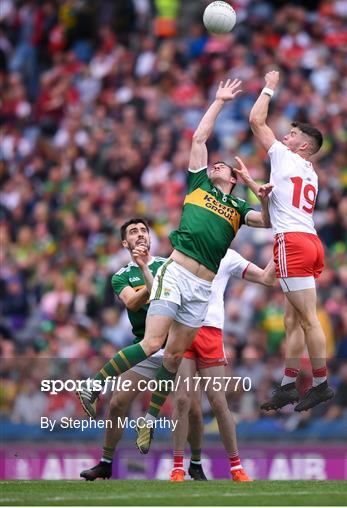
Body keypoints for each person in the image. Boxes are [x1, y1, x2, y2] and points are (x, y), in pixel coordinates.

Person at [76, 79, 271, 456]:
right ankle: (93, 384)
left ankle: (149, 419)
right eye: (216, 162)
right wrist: (217, 101)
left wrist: (257, 191)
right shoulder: (198, 185)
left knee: (171, 356)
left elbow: (265, 221)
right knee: (151, 343)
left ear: (233, 179)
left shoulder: (238, 207)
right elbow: (199, 139)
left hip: (202, 288)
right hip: (176, 272)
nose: (217, 163)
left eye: (225, 167)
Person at [80, 218, 207, 480]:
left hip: (175, 345)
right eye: (133, 232)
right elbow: (132, 302)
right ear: (125, 243)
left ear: (150, 238)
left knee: (190, 406)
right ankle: (105, 463)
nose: (140, 235)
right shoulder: (121, 275)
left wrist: (150, 275)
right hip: (145, 348)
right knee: (116, 403)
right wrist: (146, 276)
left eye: (143, 231)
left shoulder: (169, 265)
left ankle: (194, 464)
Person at [247, 71, 334, 412]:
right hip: (310, 240)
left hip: (293, 243)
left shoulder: (285, 157)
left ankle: (322, 383)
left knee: (308, 319)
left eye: (293, 134)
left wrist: (268, 85)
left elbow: (256, 119)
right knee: (292, 319)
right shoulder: (310, 170)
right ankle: (288, 384)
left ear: (304, 147)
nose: (285, 136)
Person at [170, 247, 276, 482]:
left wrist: (282, 248)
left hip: (210, 331)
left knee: (218, 401)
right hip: (182, 329)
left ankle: (236, 467)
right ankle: (177, 467)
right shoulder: (182, 250)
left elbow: (266, 278)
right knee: (181, 399)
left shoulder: (227, 255)